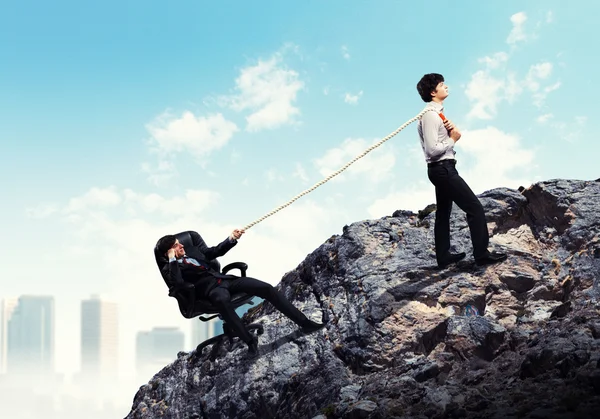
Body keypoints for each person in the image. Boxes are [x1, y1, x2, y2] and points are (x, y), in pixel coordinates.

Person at [156, 229, 325, 356]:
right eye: (177, 245)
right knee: (223, 303)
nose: (182, 245)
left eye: (180, 243)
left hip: (225, 280)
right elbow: (178, 283)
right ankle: (250, 342)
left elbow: (213, 252)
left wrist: (231, 239)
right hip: (210, 291)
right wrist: (172, 259)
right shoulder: (169, 268)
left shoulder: (191, 251)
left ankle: (304, 323)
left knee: (266, 288)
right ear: (169, 252)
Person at [416, 73, 507, 268]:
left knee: (443, 212)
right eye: (442, 85)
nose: (446, 87)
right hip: (442, 168)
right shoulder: (431, 115)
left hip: (440, 169)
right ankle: (481, 255)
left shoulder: (435, 114)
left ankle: (443, 257)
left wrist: (449, 135)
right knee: (474, 208)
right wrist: (453, 139)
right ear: (433, 92)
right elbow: (432, 150)